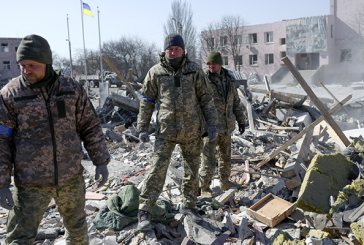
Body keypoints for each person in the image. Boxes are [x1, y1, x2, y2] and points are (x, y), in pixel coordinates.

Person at [0, 34, 110, 244]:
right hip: (30, 184)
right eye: (22, 65)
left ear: (47, 62)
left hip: (71, 178)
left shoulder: (71, 89)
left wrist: (101, 161)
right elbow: (1, 142)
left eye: (32, 65)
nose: (26, 70)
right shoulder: (10, 94)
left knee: (77, 233)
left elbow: (90, 126)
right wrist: (2, 182)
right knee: (19, 238)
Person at [137, 33, 218, 230]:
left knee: (192, 170)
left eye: (177, 49)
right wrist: (143, 127)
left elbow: (206, 98)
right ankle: (144, 210)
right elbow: (146, 102)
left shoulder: (194, 71)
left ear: (183, 50)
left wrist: (212, 123)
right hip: (165, 131)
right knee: (157, 169)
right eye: (170, 49)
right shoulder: (155, 72)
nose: (173, 52)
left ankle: (189, 206)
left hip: (191, 131)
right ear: (165, 51)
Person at [199, 51, 246, 198]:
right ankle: (204, 188)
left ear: (220, 64)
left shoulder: (229, 80)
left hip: (226, 125)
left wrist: (241, 120)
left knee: (225, 156)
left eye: (213, 63)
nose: (211, 66)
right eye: (209, 63)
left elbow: (236, 102)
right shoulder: (203, 80)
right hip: (209, 127)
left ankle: (225, 182)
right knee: (208, 158)